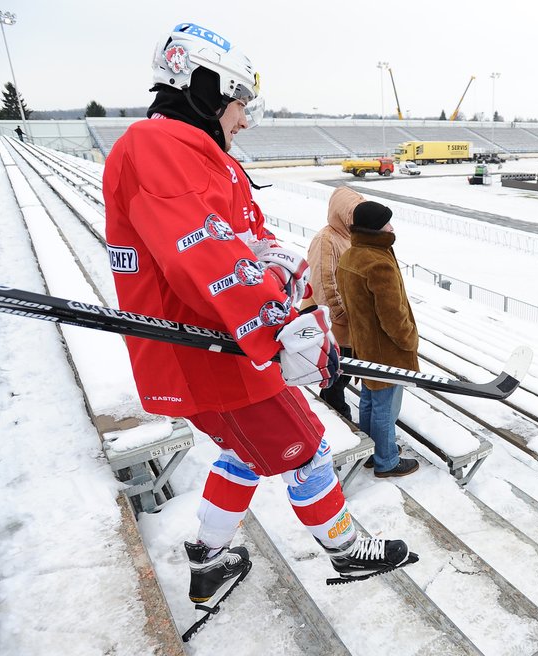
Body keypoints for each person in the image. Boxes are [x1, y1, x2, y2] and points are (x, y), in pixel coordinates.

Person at [103, 23, 414, 609]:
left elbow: (245, 238)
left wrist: (284, 269)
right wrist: (279, 325)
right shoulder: (158, 148)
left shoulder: (196, 153)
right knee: (309, 446)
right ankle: (345, 547)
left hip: (227, 348)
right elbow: (205, 253)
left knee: (244, 453)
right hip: (211, 354)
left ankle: (210, 559)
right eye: (241, 103)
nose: (245, 119)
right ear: (204, 87)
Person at [336, 201, 421, 480]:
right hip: (387, 351)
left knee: (370, 401)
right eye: (386, 223)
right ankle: (386, 460)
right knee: (386, 406)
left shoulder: (351, 256)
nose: (391, 228)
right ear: (374, 228)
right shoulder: (378, 262)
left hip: (365, 346)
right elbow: (393, 316)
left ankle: (374, 451)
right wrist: (409, 340)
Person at [301, 186, 364, 423]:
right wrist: (340, 315)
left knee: (340, 376)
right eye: (352, 214)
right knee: (336, 378)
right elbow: (322, 282)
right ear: (341, 213)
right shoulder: (326, 239)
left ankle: (337, 419)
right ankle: (344, 424)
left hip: (346, 321)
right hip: (332, 322)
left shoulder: (349, 236)